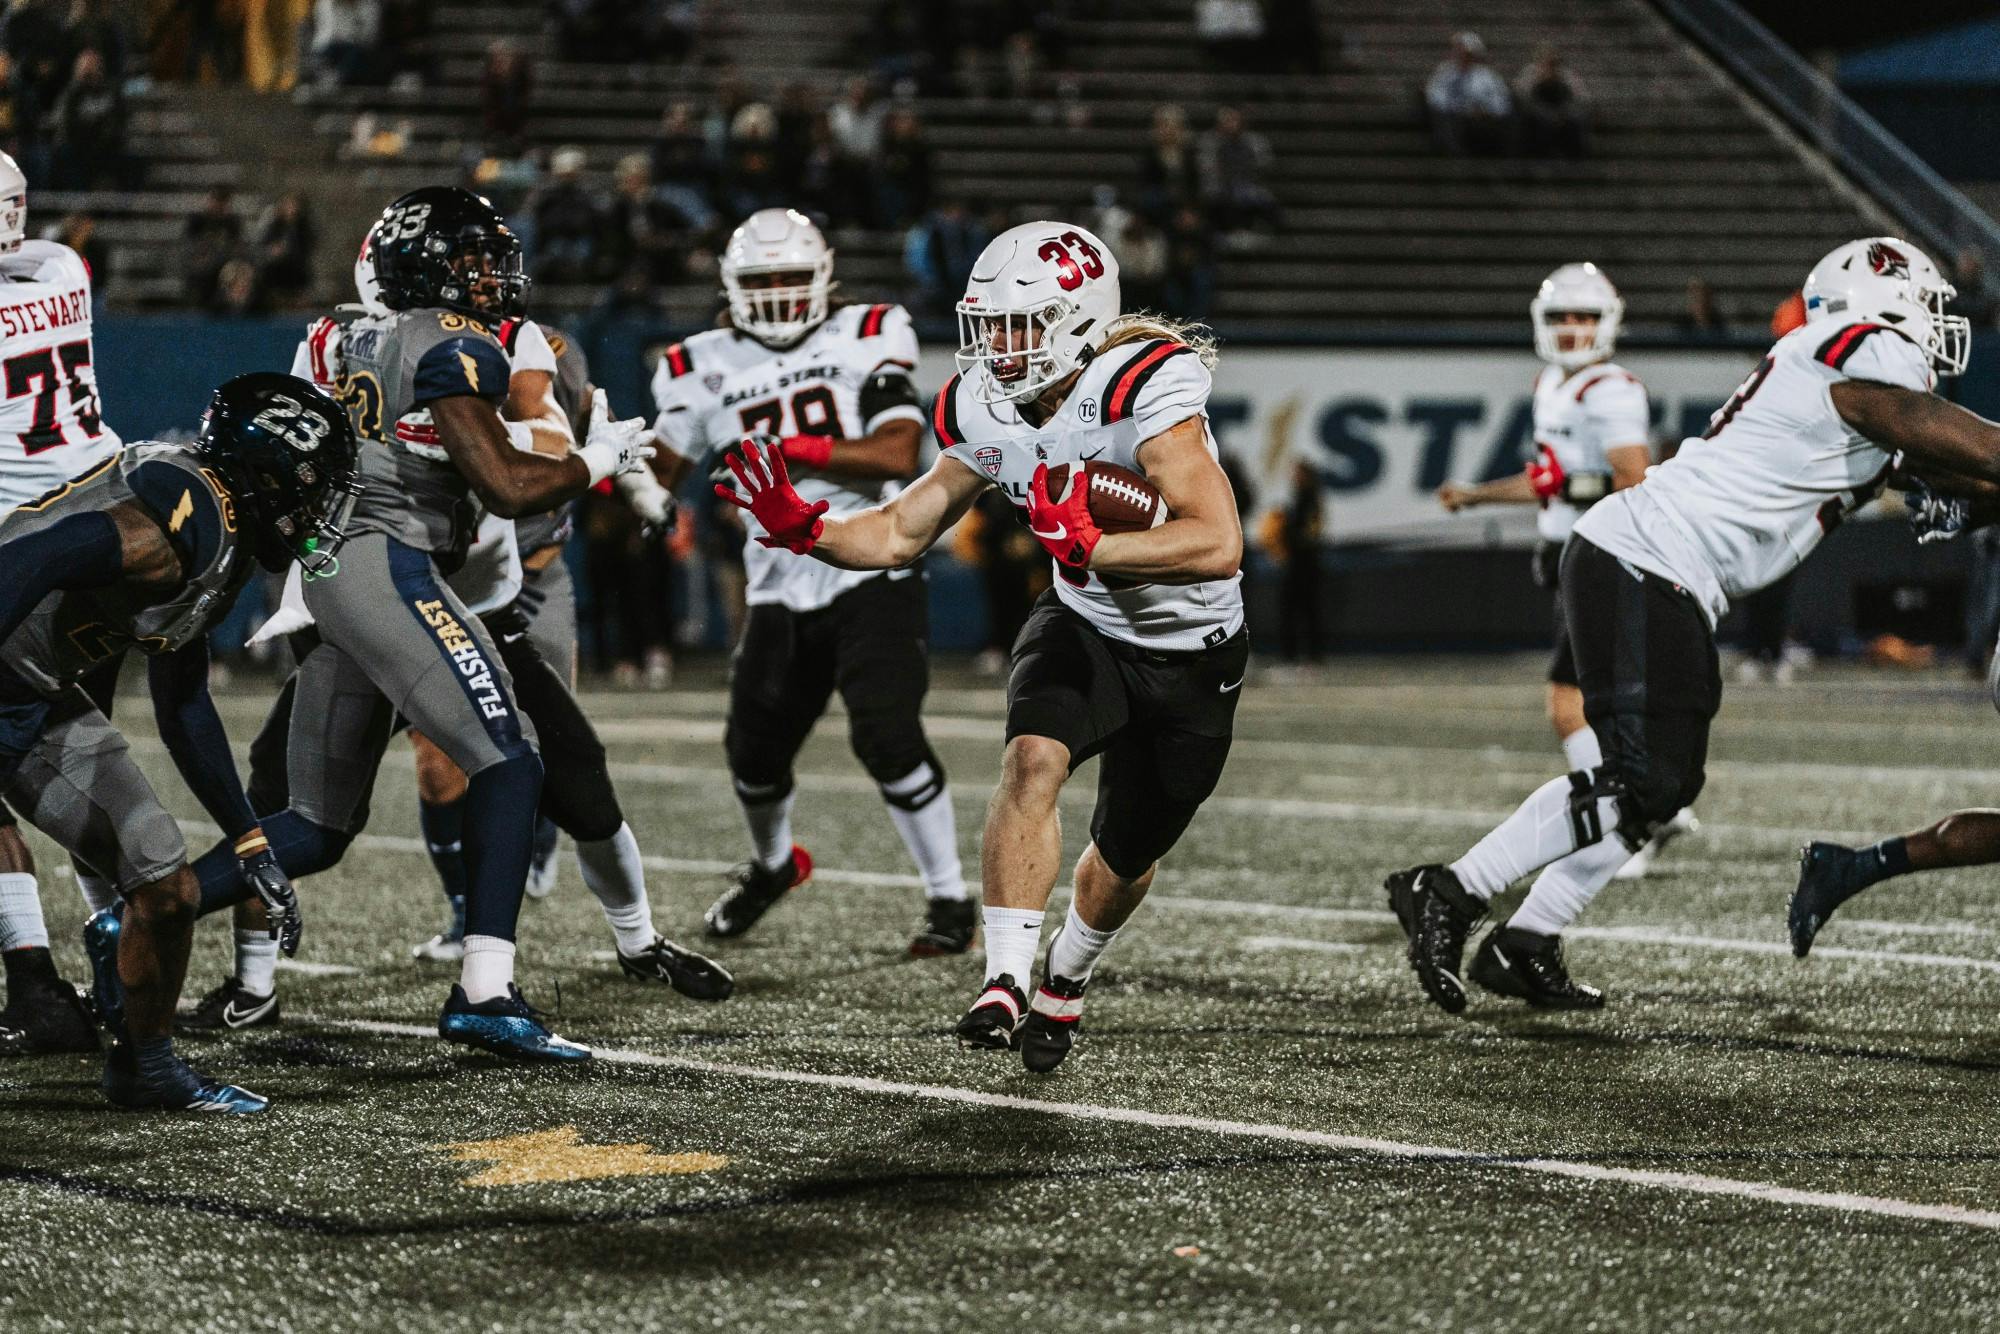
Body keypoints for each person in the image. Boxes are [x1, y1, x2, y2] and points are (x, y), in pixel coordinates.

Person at [1387, 237, 1994, 1016]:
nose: (1936, 324)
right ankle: (1448, 890)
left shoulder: (1846, 382)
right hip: (1645, 558)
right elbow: (1962, 443)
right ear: (1879, 301)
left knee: (1661, 785)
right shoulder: (1863, 352)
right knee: (1648, 778)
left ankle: (1524, 942)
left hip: (1657, 567)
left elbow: (1957, 475)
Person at [716, 220, 1246, 1072]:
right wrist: (807, 529)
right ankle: (1002, 980)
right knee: (1032, 759)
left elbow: (1217, 541)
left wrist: (1093, 547)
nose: (995, 346)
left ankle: (1064, 979)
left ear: (1077, 318)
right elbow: (897, 532)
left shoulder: (1142, 388)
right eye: (987, 324)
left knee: (1126, 856)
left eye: (1016, 325)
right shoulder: (979, 405)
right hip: (1087, 624)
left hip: (1197, 650)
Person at [182, 187, 653, 1063]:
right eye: (471, 261)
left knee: (317, 825)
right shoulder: (447, 340)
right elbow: (510, 484)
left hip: (335, 571)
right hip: (388, 564)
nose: (491, 278)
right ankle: (484, 988)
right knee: (510, 757)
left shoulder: (334, 337)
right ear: (421, 267)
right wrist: (598, 457)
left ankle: (139, 905)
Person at [0, 371, 360, 1110]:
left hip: (31, 694)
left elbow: (185, 705)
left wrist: (250, 842)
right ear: (267, 478)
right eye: (312, 488)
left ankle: (146, 1068)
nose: (320, 511)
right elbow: (34, 558)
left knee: (169, 888)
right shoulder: (187, 516)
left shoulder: (219, 537)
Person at [650, 208, 970, 954]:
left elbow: (898, 450)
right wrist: (609, 464)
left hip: (867, 561)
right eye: (764, 281)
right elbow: (658, 477)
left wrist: (786, 447)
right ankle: (772, 866)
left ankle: (950, 896)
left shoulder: (867, 331)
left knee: (887, 735)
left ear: (823, 275)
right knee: (752, 754)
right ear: (733, 285)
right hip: (775, 582)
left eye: (793, 278)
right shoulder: (694, 362)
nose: (781, 295)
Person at [1436, 264, 1696, 928]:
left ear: (1607, 322)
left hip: (1602, 559)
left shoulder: (1611, 389)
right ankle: (1647, 810)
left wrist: (1564, 484)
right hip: (1568, 556)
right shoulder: (1554, 383)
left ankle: (1623, 820)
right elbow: (1550, 480)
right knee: (1593, 707)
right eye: (1561, 318)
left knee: (1569, 706)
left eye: (1583, 317)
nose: (1572, 329)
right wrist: (1479, 495)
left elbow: (1630, 481)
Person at [0, 149, 122, 1057]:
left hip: (25, 556)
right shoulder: (63, 266)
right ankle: (116, 940)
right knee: (90, 762)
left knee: (22, 779)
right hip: (112, 527)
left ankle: (37, 984)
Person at [1425, 32, 1512, 156]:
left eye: (1466, 53)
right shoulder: (1445, 72)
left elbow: (1501, 102)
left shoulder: (1487, 76)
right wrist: (1460, 108)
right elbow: (1435, 97)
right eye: (1459, 51)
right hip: (1454, 117)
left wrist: (1485, 110)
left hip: (1481, 120)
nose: (1461, 56)